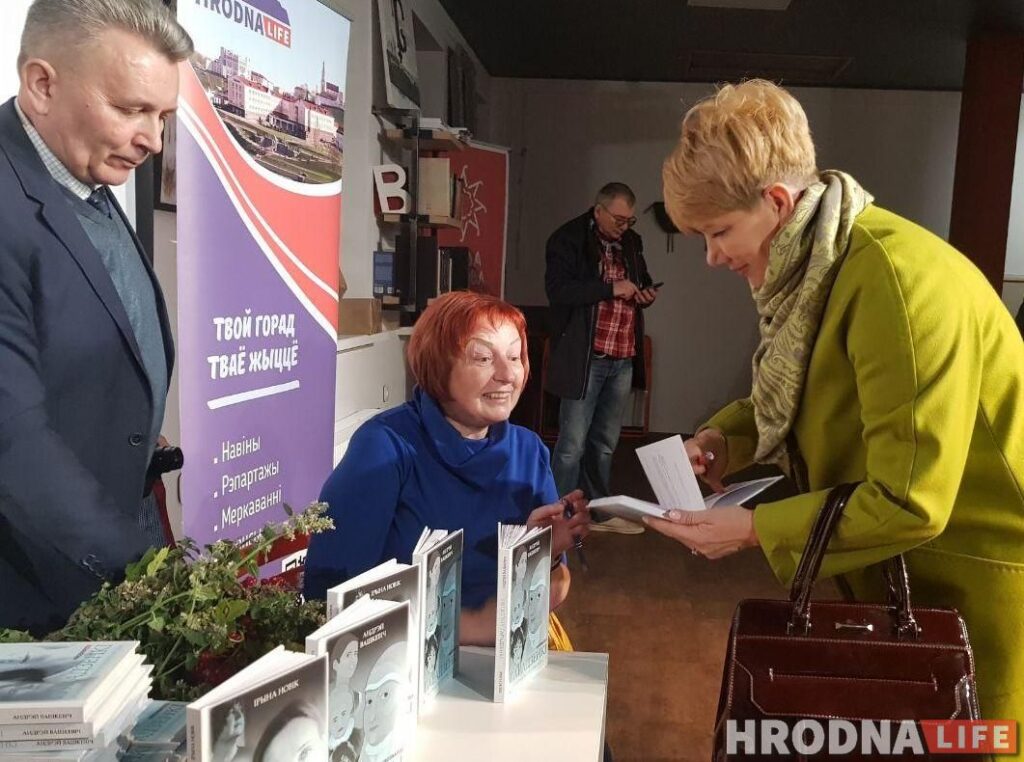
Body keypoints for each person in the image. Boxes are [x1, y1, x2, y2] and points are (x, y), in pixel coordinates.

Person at [653, 79, 1024, 721]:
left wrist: (752, 531)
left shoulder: (899, 281)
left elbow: (910, 499)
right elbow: (798, 392)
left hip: (976, 591)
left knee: (972, 742)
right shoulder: (824, 265)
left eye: (717, 232)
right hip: (903, 575)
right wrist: (720, 440)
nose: (712, 258)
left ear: (775, 201)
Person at [0, 0, 192, 634]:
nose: (154, 140)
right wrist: (145, 577)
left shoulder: (85, 178)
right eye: (131, 109)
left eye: (161, 116)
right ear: (42, 84)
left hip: (107, 549)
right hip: (34, 592)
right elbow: (13, 441)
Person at [304, 291, 590, 645]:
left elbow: (556, 589)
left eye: (515, 356)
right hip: (401, 656)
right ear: (439, 363)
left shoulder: (529, 450)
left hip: (509, 647)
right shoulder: (385, 447)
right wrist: (477, 628)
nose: (506, 374)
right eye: (483, 357)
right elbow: (330, 594)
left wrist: (547, 553)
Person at [545, 182, 658, 534]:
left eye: (630, 221)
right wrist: (610, 288)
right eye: (619, 219)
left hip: (622, 354)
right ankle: (559, 514)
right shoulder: (568, 239)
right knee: (571, 445)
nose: (625, 227)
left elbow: (641, 279)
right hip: (586, 357)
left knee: (605, 443)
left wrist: (645, 292)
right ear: (598, 210)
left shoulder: (631, 243)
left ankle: (597, 511)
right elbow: (559, 291)